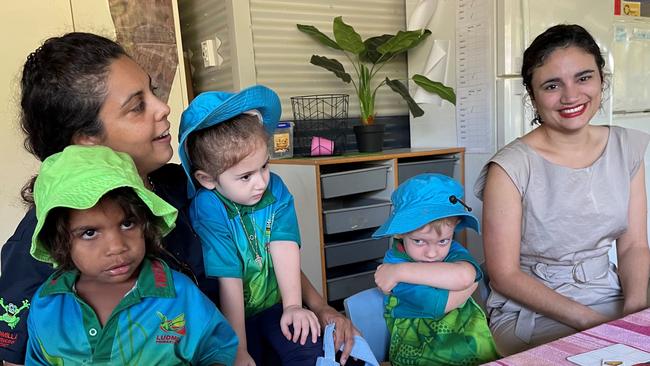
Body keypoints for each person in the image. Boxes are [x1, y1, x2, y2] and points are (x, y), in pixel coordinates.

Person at [0, 32, 357, 365]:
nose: (163, 107)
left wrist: (321, 307)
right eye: (137, 106)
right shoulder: (42, 240)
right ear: (85, 141)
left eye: (153, 91)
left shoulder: (180, 184)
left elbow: (260, 245)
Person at [474, 24, 650, 355]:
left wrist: (634, 312)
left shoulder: (627, 148)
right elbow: (504, 276)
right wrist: (595, 325)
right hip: (532, 312)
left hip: (610, 294)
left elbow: (634, 246)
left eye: (584, 78)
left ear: (601, 79)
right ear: (532, 95)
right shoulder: (510, 168)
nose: (571, 96)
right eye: (552, 85)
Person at [25, 145, 238, 365]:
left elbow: (217, 349)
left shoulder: (179, 294)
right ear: (60, 241)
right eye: (89, 233)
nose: (117, 246)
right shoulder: (47, 305)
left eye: (127, 224)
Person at [178, 85, 324, 365]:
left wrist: (294, 305)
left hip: (276, 303)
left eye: (265, 167)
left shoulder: (276, 189)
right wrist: (239, 348)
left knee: (309, 351)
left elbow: (284, 245)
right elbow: (228, 275)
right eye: (245, 177)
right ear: (208, 180)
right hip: (231, 316)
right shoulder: (208, 207)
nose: (261, 182)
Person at [372, 173, 498, 365]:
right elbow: (440, 304)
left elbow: (465, 276)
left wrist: (401, 272)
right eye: (419, 241)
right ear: (400, 233)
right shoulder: (394, 263)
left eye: (443, 241)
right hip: (422, 355)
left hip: (475, 349)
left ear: (454, 227)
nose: (432, 253)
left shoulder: (397, 271)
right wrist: (471, 284)